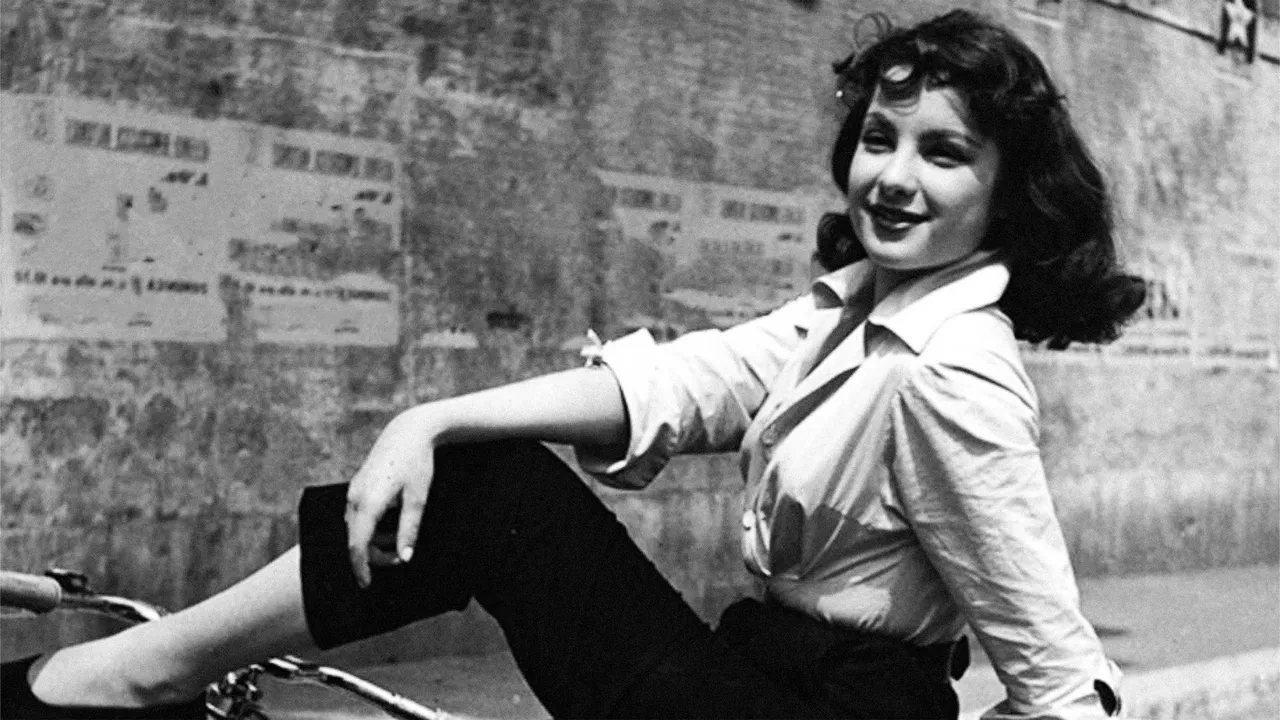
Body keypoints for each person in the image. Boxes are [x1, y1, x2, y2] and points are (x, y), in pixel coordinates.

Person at [1, 9, 1145, 719]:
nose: (891, 177)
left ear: (1004, 192)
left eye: (942, 154)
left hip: (820, 707)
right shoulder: (849, 314)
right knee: (484, 476)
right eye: (878, 140)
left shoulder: (952, 369)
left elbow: (1056, 677)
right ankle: (142, 675)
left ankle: (133, 680)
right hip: (744, 684)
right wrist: (431, 419)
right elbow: (677, 385)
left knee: (492, 497)